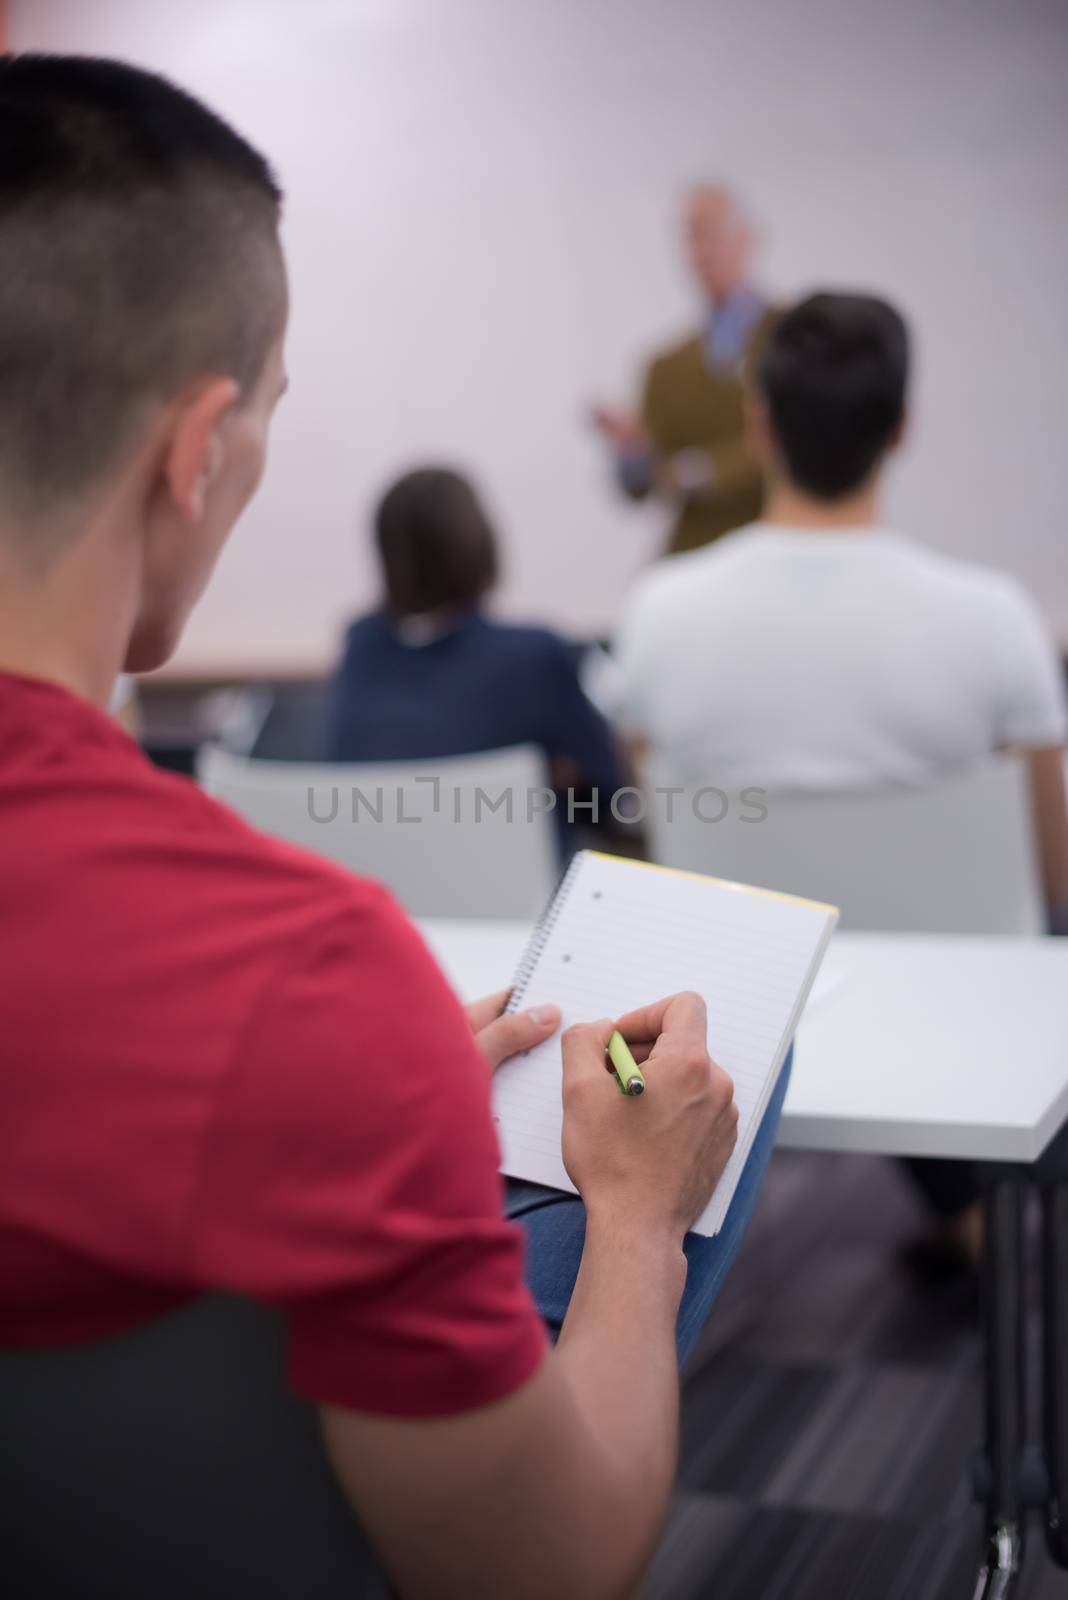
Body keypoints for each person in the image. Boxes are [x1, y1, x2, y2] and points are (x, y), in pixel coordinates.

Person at [0, 55, 788, 1599]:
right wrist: (631, 1219)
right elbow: (546, 1572)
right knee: (672, 1084)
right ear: (196, 448)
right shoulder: (305, 975)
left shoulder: (334, 801)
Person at [616, 290, 1068, 1263]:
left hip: (735, 1000)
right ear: (901, 429)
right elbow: (1052, 874)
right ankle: (991, 1215)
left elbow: (655, 823)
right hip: (961, 1020)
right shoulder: (994, 620)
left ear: (758, 423)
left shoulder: (659, 613)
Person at [325, 465, 624, 807]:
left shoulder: (361, 646)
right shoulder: (534, 654)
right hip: (516, 859)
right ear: (480, 543)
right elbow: (609, 794)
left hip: (376, 859)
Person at [591, 184, 774, 555]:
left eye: (710, 234)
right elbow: (641, 488)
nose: (699, 252)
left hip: (772, 542)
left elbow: (810, 444)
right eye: (690, 239)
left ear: (746, 238)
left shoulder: (794, 337)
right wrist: (632, 452)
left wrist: (704, 471)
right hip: (694, 553)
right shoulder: (665, 366)